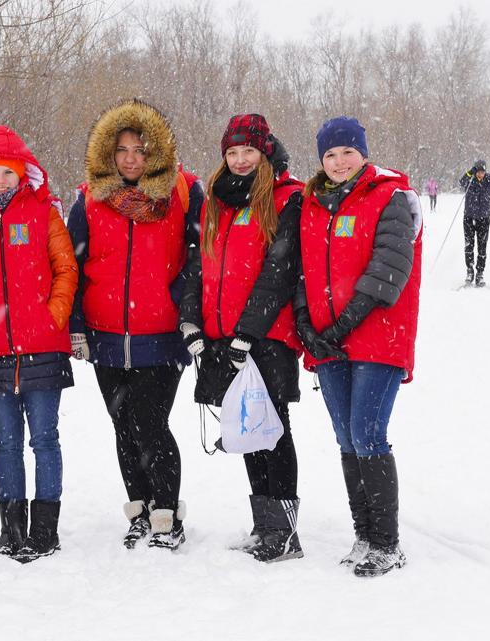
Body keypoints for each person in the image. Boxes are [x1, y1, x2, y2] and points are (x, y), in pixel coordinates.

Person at [67, 99, 202, 551]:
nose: (130, 158)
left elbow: (201, 258)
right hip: (106, 336)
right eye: (122, 149)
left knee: (152, 424)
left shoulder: (182, 192)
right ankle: (139, 509)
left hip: (161, 333)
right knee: (122, 425)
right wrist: (77, 324)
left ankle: (168, 513)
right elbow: (71, 264)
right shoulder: (89, 198)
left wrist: (183, 307)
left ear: (155, 153)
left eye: (140, 150)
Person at [295, 116, 422, 577]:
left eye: (347, 152)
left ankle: (387, 544)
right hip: (328, 341)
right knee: (347, 439)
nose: (339, 161)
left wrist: (344, 322)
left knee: (368, 435)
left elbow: (389, 269)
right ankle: (364, 534)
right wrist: (307, 325)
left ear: (363, 153)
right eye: (329, 154)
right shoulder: (312, 204)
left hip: (376, 337)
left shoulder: (391, 198)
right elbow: (303, 272)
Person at [178, 114, 305, 563]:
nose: (240, 159)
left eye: (248, 150)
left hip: (265, 337)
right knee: (246, 429)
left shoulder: (287, 198)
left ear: (265, 151)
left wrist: (248, 334)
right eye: (232, 153)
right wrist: (190, 320)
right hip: (220, 335)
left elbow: (279, 272)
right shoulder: (216, 200)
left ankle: (285, 532)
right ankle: (263, 524)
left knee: (272, 429)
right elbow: (198, 263)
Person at [0, 125, 77, 563]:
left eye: (8, 173)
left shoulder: (45, 212)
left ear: (22, 174)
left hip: (43, 345)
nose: (1, 181)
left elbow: (66, 269)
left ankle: (45, 530)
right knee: (5, 442)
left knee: (44, 439)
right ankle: (12, 530)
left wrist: (53, 315)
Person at [459, 160, 490, 287]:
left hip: (484, 218)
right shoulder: (470, 179)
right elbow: (461, 182)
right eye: (478, 172)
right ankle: (469, 271)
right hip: (469, 217)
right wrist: (470, 173)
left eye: (482, 172)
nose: (480, 175)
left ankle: (480, 273)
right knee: (469, 245)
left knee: (482, 247)